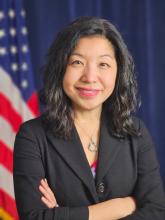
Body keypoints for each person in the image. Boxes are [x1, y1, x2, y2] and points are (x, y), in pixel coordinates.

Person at [13, 16, 165, 220]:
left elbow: (156, 211)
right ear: (60, 69)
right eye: (77, 62)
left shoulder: (136, 132)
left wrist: (62, 214)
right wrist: (121, 206)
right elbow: (34, 217)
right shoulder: (32, 136)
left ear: (118, 72)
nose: (90, 77)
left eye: (103, 64)